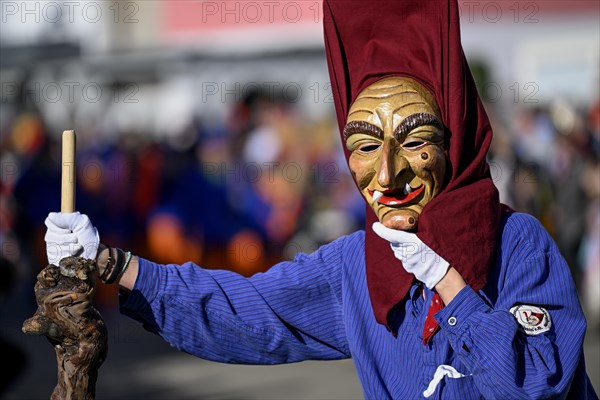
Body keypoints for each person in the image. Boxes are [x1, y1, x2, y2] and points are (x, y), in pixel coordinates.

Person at [43, 0, 597, 398]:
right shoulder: (359, 268)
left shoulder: (520, 244)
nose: (388, 172)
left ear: (458, 144)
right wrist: (111, 262)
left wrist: (453, 290)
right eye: (363, 145)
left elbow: (535, 384)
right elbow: (246, 312)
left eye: (416, 141)